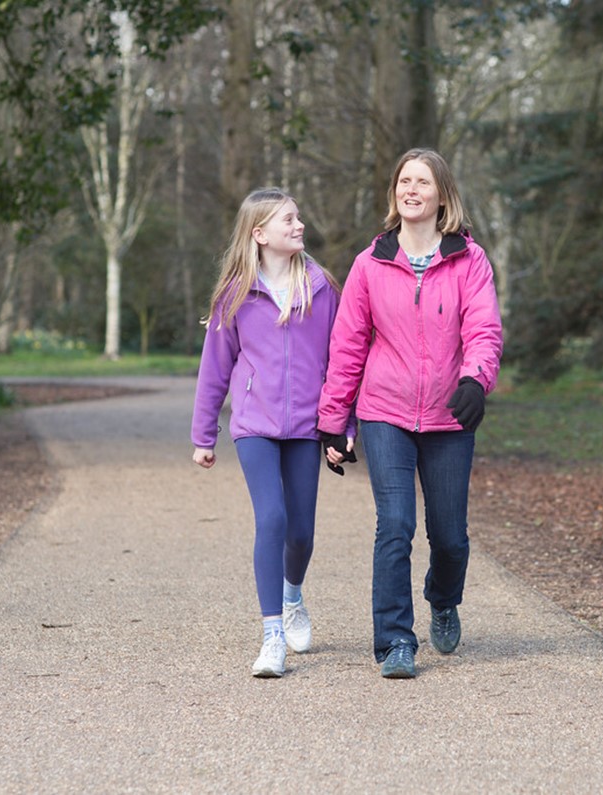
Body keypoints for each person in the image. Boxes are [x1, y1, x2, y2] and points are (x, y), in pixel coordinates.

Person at [317, 148, 504, 678]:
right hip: (385, 413)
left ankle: (443, 599)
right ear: (395, 193)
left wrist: (475, 379)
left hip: (449, 416)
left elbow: (484, 331)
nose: (411, 189)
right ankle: (395, 640)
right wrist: (334, 420)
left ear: (442, 194)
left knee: (449, 536)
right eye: (404, 181)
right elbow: (348, 344)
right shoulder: (370, 263)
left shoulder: (469, 260)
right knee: (394, 525)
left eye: (422, 181)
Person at [191, 188, 350, 678]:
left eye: (299, 218)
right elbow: (214, 369)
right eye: (288, 220)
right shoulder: (235, 294)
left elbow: (342, 361)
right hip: (254, 426)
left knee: (301, 531)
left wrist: (343, 427)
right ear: (259, 234)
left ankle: (293, 595)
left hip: (307, 426)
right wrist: (203, 435)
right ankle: (272, 635)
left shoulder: (321, 287)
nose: (299, 226)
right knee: (273, 520)